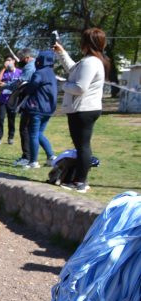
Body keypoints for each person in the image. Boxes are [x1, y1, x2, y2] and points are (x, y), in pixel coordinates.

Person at [54, 28, 109, 193]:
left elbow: (79, 87)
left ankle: (80, 182)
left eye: (82, 40)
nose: (80, 43)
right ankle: (79, 180)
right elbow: (73, 70)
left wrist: (62, 84)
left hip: (83, 109)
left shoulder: (91, 62)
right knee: (81, 146)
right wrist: (62, 53)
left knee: (83, 146)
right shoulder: (88, 61)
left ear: (87, 43)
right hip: (84, 108)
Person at [18, 50, 57, 169]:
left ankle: (33, 162)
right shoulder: (51, 73)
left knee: (33, 134)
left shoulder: (39, 73)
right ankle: (51, 157)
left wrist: (24, 88)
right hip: (49, 109)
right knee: (39, 133)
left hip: (37, 108)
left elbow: (31, 88)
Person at [11, 48, 37, 167]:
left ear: (26, 58)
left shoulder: (29, 67)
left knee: (25, 129)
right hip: (35, 102)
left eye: (21, 59)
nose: (20, 61)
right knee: (35, 131)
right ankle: (49, 155)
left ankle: (27, 157)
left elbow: (20, 83)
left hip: (29, 102)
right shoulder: (36, 65)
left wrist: (5, 86)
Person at [0, 56, 22, 145]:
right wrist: (3, 68)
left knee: (11, 119)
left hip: (13, 100)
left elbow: (20, 83)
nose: (8, 62)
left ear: (14, 61)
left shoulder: (19, 72)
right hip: (3, 100)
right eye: (6, 60)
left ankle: (11, 137)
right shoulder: (4, 72)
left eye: (10, 60)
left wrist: (5, 84)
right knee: (1, 119)